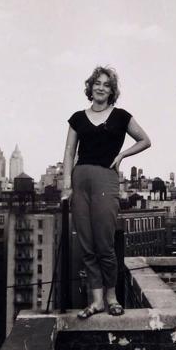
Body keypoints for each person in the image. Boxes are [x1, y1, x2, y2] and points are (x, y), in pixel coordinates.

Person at [62, 66, 151, 319]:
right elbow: (69, 153)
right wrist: (66, 186)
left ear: (112, 90)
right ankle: (97, 300)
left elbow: (145, 140)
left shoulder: (121, 116)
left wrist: (122, 154)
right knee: (86, 245)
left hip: (106, 180)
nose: (101, 87)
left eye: (106, 85)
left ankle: (112, 298)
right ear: (90, 87)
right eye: (97, 83)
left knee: (104, 243)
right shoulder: (78, 118)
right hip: (80, 180)